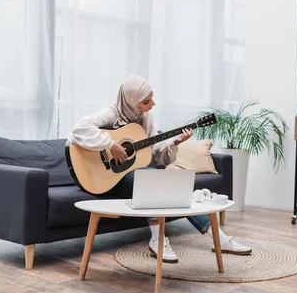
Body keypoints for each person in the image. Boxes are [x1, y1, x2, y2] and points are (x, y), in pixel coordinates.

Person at [66, 74, 251, 263]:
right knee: (152, 180)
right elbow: (79, 129)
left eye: (152, 98)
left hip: (130, 176)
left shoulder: (146, 119)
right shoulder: (112, 113)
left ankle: (219, 239)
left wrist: (175, 142)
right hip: (104, 179)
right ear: (130, 101)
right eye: (146, 101)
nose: (152, 104)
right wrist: (112, 144)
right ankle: (158, 240)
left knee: (169, 183)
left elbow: (151, 154)